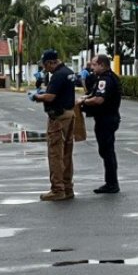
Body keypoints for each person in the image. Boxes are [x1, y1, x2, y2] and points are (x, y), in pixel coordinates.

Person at [28, 49, 77, 201]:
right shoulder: (68, 72)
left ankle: (57, 189)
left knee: (55, 154)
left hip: (58, 118)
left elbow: (50, 97)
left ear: (50, 63)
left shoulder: (58, 75)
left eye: (45, 66)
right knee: (67, 154)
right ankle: (67, 187)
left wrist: (36, 96)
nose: (44, 69)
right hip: (69, 115)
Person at [80, 53, 121, 194]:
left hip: (106, 119)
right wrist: (86, 97)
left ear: (102, 65)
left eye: (94, 64)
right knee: (106, 151)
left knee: (107, 151)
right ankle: (111, 182)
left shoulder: (105, 79)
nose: (92, 67)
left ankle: (112, 183)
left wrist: (83, 101)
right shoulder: (107, 78)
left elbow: (99, 100)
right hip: (107, 118)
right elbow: (94, 95)